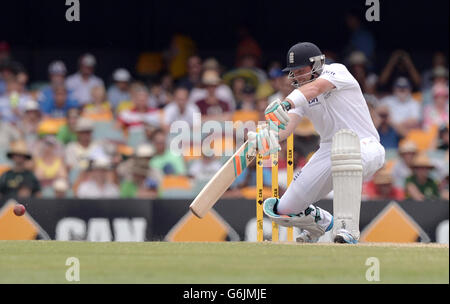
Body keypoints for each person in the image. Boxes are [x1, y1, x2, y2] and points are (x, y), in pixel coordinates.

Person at [249, 42, 385, 244]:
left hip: (364, 145)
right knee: (284, 210)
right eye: (293, 72)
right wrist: (268, 135)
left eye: (301, 71)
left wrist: (286, 102)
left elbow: (316, 88)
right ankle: (322, 223)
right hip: (328, 150)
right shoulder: (299, 96)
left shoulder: (336, 71)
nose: (296, 77)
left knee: (345, 156)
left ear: (317, 65)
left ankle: (346, 229)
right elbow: (286, 129)